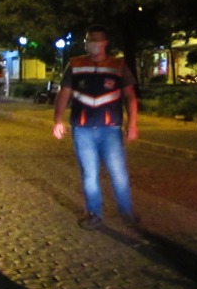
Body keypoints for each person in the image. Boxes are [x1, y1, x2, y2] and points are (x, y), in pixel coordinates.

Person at [52, 24, 140, 229]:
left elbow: (130, 96)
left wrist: (132, 124)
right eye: (88, 40)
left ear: (105, 42)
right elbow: (64, 93)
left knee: (118, 173)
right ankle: (94, 214)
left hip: (110, 129)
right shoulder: (75, 64)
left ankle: (126, 212)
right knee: (89, 174)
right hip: (82, 129)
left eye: (95, 40)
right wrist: (58, 119)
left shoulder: (118, 65)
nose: (91, 44)